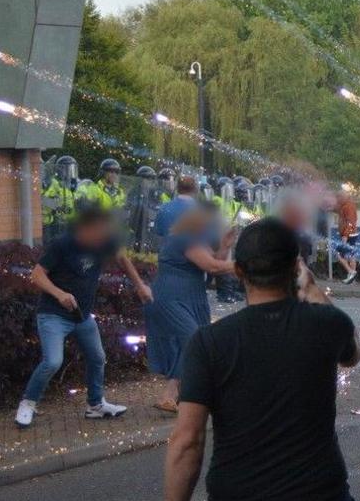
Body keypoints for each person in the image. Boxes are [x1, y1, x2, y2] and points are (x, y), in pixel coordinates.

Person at [155, 219, 360, 501]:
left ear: (237, 271)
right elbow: (353, 353)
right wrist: (309, 288)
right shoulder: (326, 324)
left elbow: (187, 441)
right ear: (294, 267)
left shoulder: (210, 344)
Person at [15, 209, 150, 427]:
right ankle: (28, 403)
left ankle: (95, 406)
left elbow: (122, 258)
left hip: (82, 316)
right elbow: (36, 275)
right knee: (52, 361)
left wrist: (140, 286)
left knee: (97, 357)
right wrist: (59, 294)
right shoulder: (63, 245)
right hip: (53, 315)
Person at [147, 205, 237, 414]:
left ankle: (170, 396)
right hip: (173, 296)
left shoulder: (197, 239)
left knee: (191, 342)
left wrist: (224, 246)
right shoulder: (185, 238)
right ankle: (193, 393)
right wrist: (245, 264)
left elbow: (215, 262)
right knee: (192, 339)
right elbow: (212, 267)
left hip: (189, 296)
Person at [153, 175, 200, 241]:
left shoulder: (164, 208)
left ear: (177, 188)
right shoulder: (201, 211)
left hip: (169, 250)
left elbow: (159, 232)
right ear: (194, 189)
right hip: (193, 250)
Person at [335, 191, 360, 285]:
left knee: (339, 254)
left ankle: (351, 272)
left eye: (340, 197)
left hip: (348, 234)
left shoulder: (347, 206)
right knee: (351, 255)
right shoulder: (347, 205)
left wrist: (345, 236)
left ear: (345, 197)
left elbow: (350, 222)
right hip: (352, 234)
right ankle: (352, 278)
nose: (338, 199)